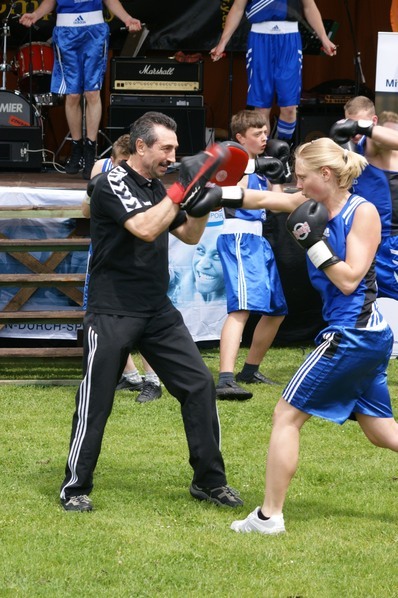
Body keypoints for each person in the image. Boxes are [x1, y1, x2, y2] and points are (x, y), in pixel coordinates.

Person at [190, 137, 398, 535]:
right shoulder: (310, 204)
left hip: (351, 334)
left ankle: (269, 516)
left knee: (285, 416)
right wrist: (217, 192)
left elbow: (351, 279)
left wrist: (314, 244)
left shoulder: (362, 212)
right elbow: (265, 201)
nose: (297, 185)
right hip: (364, 335)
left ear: (326, 174)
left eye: (302, 177)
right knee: (382, 431)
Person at [59, 111, 243, 512]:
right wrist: (181, 187)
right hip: (112, 310)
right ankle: (74, 487)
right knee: (97, 399)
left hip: (157, 310)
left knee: (198, 385)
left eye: (176, 148)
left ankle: (209, 482)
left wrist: (203, 198)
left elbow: (190, 236)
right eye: (166, 147)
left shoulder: (156, 188)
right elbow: (143, 228)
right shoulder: (109, 181)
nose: (173, 155)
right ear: (140, 146)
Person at [19, 0, 141, 179]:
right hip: (66, 30)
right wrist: (36, 15)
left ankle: (90, 149)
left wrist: (127, 18)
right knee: (73, 94)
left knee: (92, 92)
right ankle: (76, 146)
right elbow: (50, 1)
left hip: (94, 30)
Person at [82, 134, 162, 403]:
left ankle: (153, 380)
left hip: (139, 261)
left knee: (146, 322)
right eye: (119, 165)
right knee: (108, 322)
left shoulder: (147, 182)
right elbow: (86, 211)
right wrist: (95, 194)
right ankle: (131, 376)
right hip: (106, 259)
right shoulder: (103, 171)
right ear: (113, 160)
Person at [215, 109, 287, 401]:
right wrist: (256, 165)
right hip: (238, 236)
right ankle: (225, 378)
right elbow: (234, 192)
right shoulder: (235, 160)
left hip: (259, 237)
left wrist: (277, 171)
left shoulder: (259, 166)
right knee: (241, 309)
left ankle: (250, 369)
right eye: (257, 133)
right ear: (240, 137)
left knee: (276, 311)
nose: (264, 137)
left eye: (265, 132)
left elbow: (279, 202)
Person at [210, 0, 337, 143]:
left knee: (289, 107)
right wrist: (222, 43)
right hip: (259, 39)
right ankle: (265, 155)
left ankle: (282, 151)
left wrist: (324, 38)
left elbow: (309, 7)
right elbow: (238, 8)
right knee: (262, 108)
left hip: (289, 40)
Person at [329, 96, 398, 301]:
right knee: (366, 300)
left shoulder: (376, 145)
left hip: (389, 238)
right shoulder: (348, 149)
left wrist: (362, 127)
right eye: (348, 125)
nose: (353, 133)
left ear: (373, 121)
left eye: (356, 125)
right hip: (359, 238)